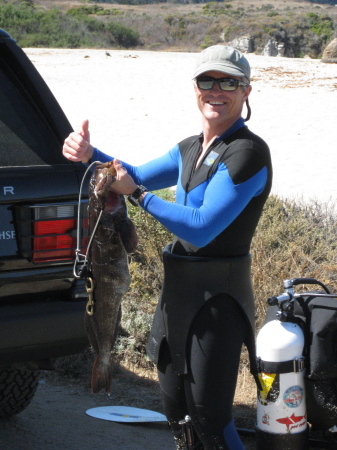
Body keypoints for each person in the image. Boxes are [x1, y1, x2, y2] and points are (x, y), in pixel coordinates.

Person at [63, 45, 272, 449]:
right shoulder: (190, 148)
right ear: (194, 88)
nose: (216, 90)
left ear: (246, 90)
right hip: (177, 297)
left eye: (228, 82)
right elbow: (136, 173)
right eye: (207, 81)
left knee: (211, 418)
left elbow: (200, 228)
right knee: (177, 413)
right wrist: (92, 156)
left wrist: (138, 195)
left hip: (219, 302)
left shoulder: (247, 152)